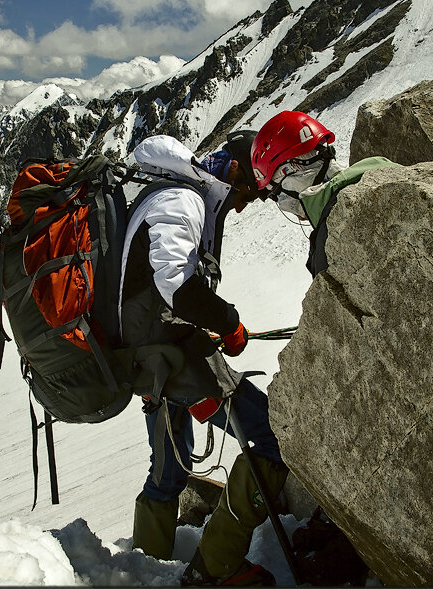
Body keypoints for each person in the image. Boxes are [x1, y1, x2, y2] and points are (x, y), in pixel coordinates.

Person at [120, 131, 289, 586]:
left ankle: (146, 567)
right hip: (172, 359)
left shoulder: (179, 193)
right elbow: (174, 283)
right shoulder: (184, 201)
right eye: (254, 187)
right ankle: (216, 567)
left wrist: (209, 327)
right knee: (273, 434)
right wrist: (228, 322)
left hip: (151, 359)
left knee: (168, 467)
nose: (253, 200)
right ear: (234, 170)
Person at [251, 110, 397, 276]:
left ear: (293, 176)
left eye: (277, 193)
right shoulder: (384, 169)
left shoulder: (330, 243)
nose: (283, 204)